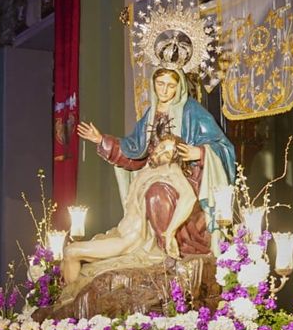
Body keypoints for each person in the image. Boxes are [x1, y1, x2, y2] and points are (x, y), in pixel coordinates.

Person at [76, 66, 235, 259]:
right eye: (160, 84)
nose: (165, 90)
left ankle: (170, 245)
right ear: (153, 84)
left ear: (179, 87)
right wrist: (101, 140)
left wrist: (200, 152)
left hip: (187, 176)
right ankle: (155, 245)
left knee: (157, 193)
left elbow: (223, 146)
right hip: (153, 172)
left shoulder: (192, 110)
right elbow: (134, 149)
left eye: (171, 85)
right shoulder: (150, 114)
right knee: (148, 193)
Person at [61, 132, 199, 287]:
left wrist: (170, 232)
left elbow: (189, 197)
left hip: (130, 240)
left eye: (167, 153)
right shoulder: (147, 170)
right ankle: (70, 302)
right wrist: (101, 140)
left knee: (71, 252)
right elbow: (128, 153)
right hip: (119, 232)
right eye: (161, 147)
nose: (160, 153)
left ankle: (69, 301)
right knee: (75, 262)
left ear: (174, 159)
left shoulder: (170, 168)